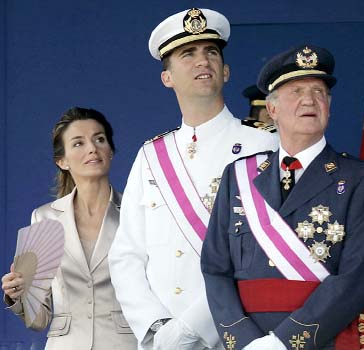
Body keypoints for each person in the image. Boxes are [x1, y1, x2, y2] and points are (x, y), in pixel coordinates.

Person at [201, 45, 364, 349]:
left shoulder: (361, 179)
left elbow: (357, 277)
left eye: (319, 92)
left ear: (329, 106)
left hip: (327, 338)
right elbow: (214, 268)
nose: (309, 100)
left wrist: (284, 342)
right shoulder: (237, 176)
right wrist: (243, 340)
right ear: (272, 109)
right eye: (296, 90)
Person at [108, 8, 279, 350]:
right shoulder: (152, 156)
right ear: (167, 77)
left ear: (225, 71)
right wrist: (157, 327)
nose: (203, 61)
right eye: (188, 54)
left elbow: (264, 251)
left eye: (211, 52)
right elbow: (126, 254)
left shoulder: (264, 144)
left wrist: (190, 329)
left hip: (235, 333)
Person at [1, 107, 138, 350]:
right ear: (62, 161)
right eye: (78, 143)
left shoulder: (138, 213)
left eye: (99, 139)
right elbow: (39, 318)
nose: (92, 148)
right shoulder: (44, 218)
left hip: (125, 343)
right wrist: (17, 295)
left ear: (111, 151)